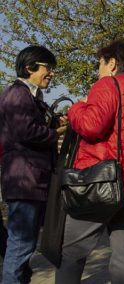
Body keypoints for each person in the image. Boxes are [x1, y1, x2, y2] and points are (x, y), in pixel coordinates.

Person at [55, 41, 124, 284]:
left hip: (102, 182)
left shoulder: (108, 84)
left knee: (72, 252)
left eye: (99, 63)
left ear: (111, 63)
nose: (98, 69)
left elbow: (91, 127)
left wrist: (77, 108)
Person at [0, 45, 66, 283]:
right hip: (25, 181)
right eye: (48, 68)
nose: (52, 73)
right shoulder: (17, 94)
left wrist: (54, 121)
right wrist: (55, 132)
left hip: (32, 180)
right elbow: (26, 131)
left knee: (22, 247)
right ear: (30, 67)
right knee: (20, 246)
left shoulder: (32, 96)